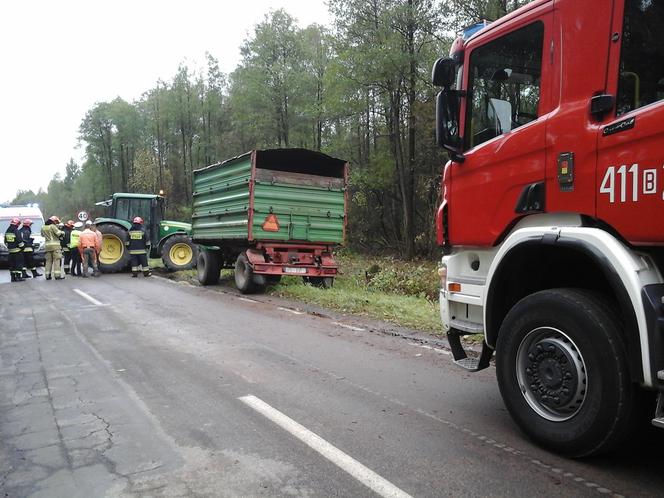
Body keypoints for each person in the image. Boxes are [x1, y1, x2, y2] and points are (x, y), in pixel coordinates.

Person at [41, 215, 65, 280]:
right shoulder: (53, 226)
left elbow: (42, 235)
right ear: (53, 221)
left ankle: (47, 276)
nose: (56, 223)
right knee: (57, 260)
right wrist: (62, 232)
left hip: (47, 247)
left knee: (48, 261)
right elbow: (59, 233)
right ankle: (57, 276)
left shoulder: (43, 227)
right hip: (55, 246)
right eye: (56, 222)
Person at [5, 217, 25, 282]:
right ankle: (19, 277)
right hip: (17, 251)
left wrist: (10, 247)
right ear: (16, 224)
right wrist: (22, 248)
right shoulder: (16, 231)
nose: (19, 225)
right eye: (18, 224)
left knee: (12, 265)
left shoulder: (7, 231)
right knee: (19, 264)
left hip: (10, 251)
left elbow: (5, 241)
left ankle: (13, 278)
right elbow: (20, 241)